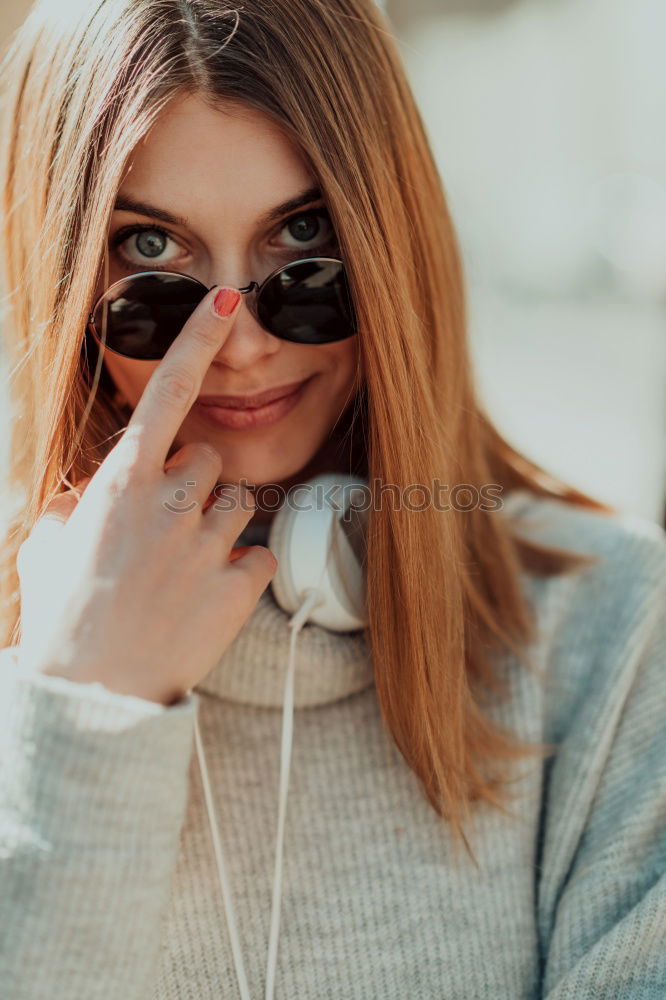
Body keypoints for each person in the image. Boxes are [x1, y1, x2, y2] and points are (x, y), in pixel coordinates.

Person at [0, 1, 664, 998]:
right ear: (61, 278)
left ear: (392, 247)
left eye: (303, 234)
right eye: (149, 252)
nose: (240, 341)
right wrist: (82, 709)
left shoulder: (614, 632)